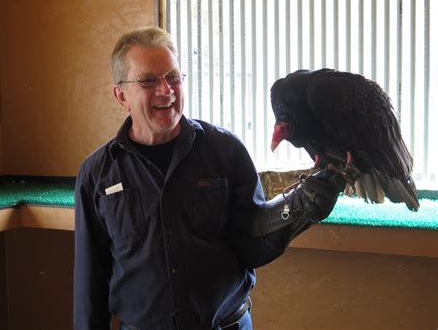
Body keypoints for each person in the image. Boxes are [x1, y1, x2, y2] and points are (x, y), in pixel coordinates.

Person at [73, 27, 346, 330]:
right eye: (149, 80)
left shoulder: (226, 151)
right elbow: (90, 280)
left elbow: (252, 245)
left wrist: (294, 211)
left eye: (173, 77)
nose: (166, 90)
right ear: (121, 95)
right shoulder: (97, 173)